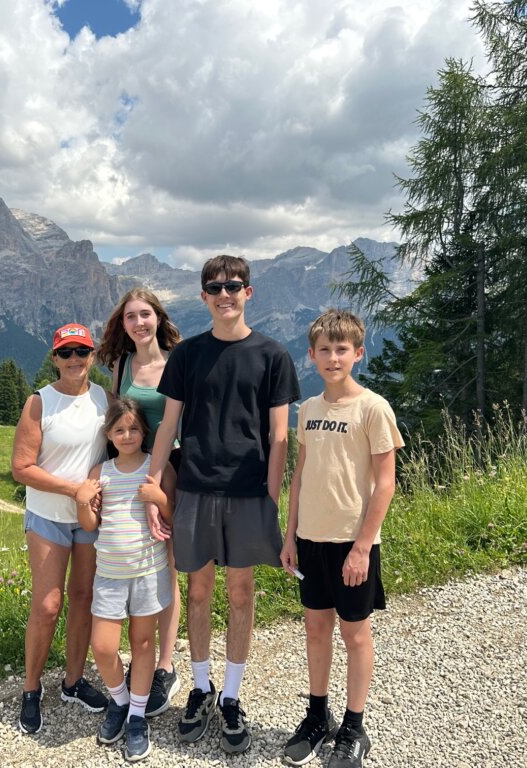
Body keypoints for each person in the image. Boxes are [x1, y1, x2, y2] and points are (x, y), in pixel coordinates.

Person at [147, 255, 301, 754]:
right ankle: (200, 686)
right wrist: (152, 486)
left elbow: (280, 437)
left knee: (240, 592)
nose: (225, 293)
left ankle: (231, 696)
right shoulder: (187, 355)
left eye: (234, 285)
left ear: (248, 292)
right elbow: (168, 426)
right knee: (197, 592)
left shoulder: (272, 355)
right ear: (204, 297)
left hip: (248, 492)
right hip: (194, 487)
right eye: (215, 287)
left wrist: (270, 499)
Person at [279, 309, 403, 768]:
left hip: (353, 543)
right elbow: (301, 476)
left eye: (342, 349)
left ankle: (354, 726)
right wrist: (289, 535)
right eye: (325, 350)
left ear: (358, 353)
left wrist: (362, 547)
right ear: (311, 356)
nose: (333, 358)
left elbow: (386, 482)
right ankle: (317, 716)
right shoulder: (308, 410)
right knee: (315, 628)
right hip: (311, 539)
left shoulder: (373, 408)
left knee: (354, 632)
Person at [11, 322, 110, 733]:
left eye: (82, 352)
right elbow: (21, 468)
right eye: (66, 353)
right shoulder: (39, 402)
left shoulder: (103, 397)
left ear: (92, 357)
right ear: (54, 358)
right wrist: (75, 489)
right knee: (48, 605)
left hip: (87, 518)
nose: (74, 360)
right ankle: (31, 688)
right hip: (49, 516)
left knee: (83, 597)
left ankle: (72, 681)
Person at [96, 288, 183, 716]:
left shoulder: (177, 362)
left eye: (145, 315)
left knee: (165, 556)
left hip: (172, 464)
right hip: (129, 461)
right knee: (141, 550)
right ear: (123, 324)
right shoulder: (120, 365)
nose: (138, 323)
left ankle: (164, 664)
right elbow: (117, 413)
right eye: (131, 317)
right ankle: (144, 661)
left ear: (158, 318)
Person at [75, 398, 176, 762]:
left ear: (144, 432)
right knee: (102, 647)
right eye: (120, 429)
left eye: (134, 428)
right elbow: (90, 525)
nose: (128, 434)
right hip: (110, 576)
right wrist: (82, 502)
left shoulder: (155, 467)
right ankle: (119, 700)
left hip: (148, 571)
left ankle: (136, 715)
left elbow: (171, 513)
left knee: (143, 644)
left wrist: (159, 496)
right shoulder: (100, 472)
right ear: (109, 434)